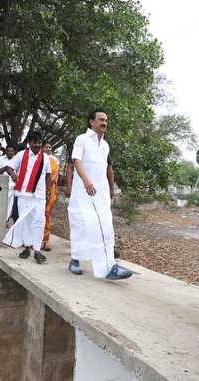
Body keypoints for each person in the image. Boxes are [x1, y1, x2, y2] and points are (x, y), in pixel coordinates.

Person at [68, 109, 131, 280]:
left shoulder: (105, 145)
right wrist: (86, 181)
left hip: (100, 194)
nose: (104, 123)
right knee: (81, 225)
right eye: (101, 119)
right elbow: (76, 161)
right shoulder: (82, 139)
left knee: (106, 227)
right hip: (83, 192)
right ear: (91, 122)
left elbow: (107, 169)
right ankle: (75, 260)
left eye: (106, 120)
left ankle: (110, 266)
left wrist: (110, 189)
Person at [3, 131, 52, 264]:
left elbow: (48, 175)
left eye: (39, 142)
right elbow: (9, 167)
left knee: (39, 221)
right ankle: (27, 247)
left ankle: (37, 250)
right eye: (34, 142)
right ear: (29, 143)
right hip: (24, 194)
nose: (37, 144)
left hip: (39, 195)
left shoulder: (46, 158)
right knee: (25, 222)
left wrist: (48, 191)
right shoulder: (21, 155)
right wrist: (14, 175)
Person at [41, 142, 60, 251]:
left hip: (50, 191)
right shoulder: (38, 159)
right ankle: (33, 240)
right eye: (46, 147)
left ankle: (45, 240)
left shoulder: (54, 161)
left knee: (46, 213)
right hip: (38, 191)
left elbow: (53, 177)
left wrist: (47, 189)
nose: (48, 148)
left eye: (50, 147)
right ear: (42, 148)